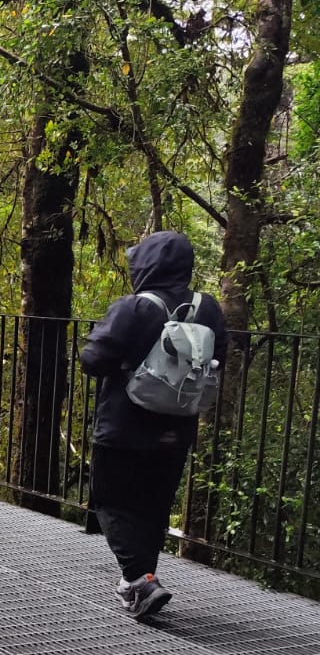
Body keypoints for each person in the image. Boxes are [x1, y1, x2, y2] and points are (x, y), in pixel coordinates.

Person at [79, 231, 227, 617]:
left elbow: (93, 360)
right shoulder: (207, 308)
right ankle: (141, 583)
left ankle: (138, 579)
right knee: (153, 506)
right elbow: (221, 355)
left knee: (109, 500)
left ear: (146, 264)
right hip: (178, 425)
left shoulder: (134, 308)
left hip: (124, 425)